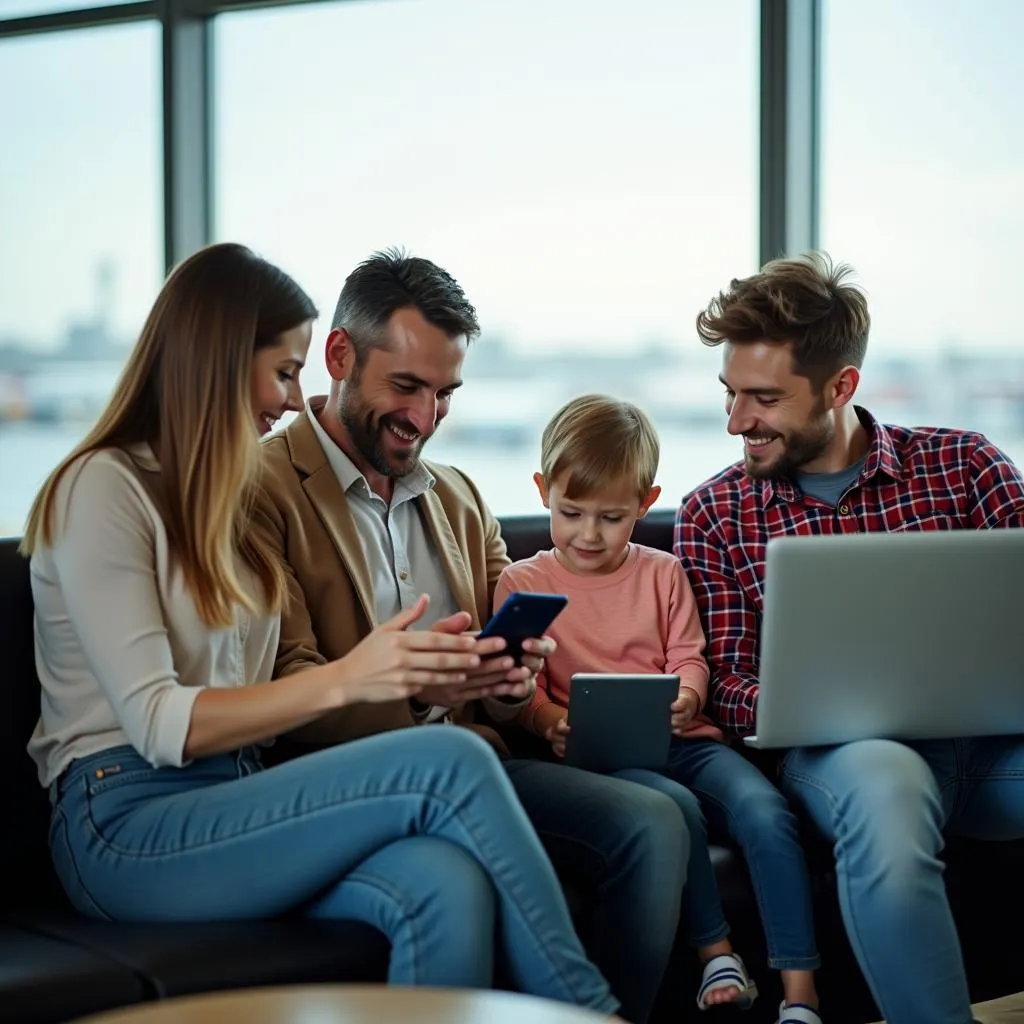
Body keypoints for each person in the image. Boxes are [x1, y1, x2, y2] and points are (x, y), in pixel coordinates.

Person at [20, 242, 621, 1019]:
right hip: (123, 819)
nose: (294, 397)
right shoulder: (103, 486)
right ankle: (596, 1012)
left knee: (441, 881)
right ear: (214, 361)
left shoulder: (220, 496)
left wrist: (445, 676)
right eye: (282, 371)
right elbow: (158, 722)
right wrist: (357, 676)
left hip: (236, 790)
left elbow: (259, 685)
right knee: (451, 759)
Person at [255, 248, 691, 1024]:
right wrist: (424, 690)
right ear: (340, 356)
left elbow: (504, 661)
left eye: (445, 393)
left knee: (653, 823)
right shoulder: (264, 488)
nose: (425, 418)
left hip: (481, 762)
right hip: (345, 783)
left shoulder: (454, 494)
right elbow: (286, 686)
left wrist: (514, 679)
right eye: (407, 387)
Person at [676, 250, 1024, 1024]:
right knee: (887, 792)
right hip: (846, 764)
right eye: (730, 396)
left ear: (840, 388)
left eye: (763, 399)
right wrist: (810, 700)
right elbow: (727, 684)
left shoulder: (967, 466)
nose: (737, 423)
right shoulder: (715, 514)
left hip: (993, 752)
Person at [496, 393, 825, 1023]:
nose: (589, 534)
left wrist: (689, 694)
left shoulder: (663, 572)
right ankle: (715, 952)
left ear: (646, 505)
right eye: (571, 512)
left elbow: (690, 655)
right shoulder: (522, 582)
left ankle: (801, 996)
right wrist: (546, 722)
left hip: (689, 740)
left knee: (765, 810)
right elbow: (522, 684)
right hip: (604, 759)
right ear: (542, 492)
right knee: (673, 811)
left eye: (612, 518)